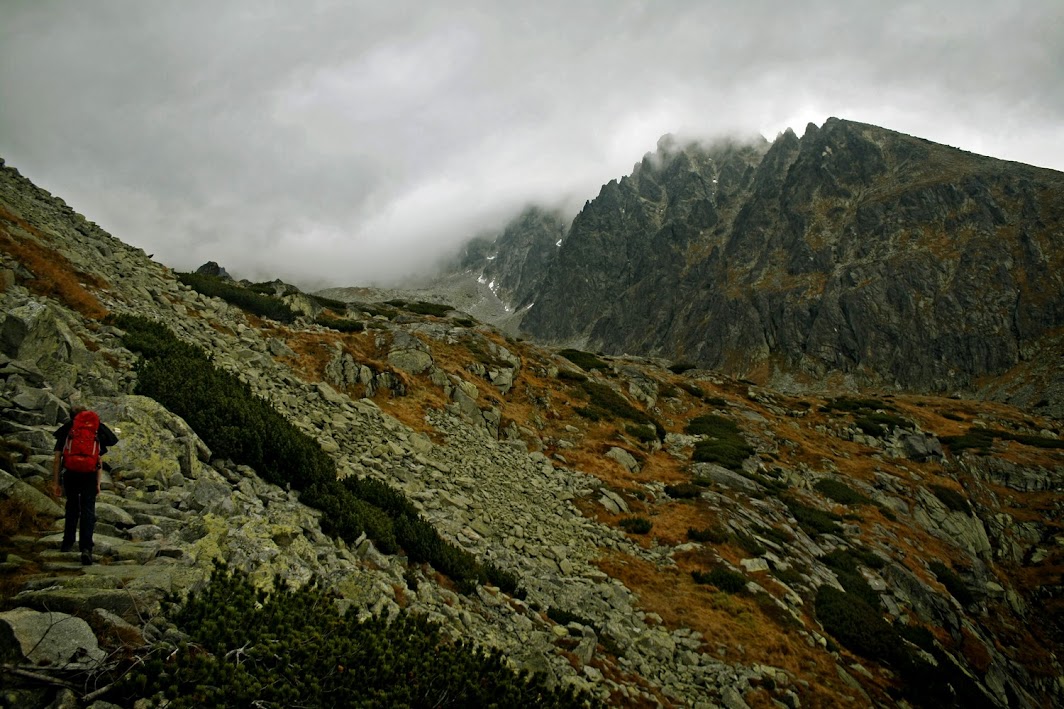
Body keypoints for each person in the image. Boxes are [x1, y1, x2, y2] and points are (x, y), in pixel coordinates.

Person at [52, 400, 118, 565]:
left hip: (70, 473)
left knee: (72, 506)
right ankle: (86, 548)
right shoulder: (94, 430)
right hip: (89, 474)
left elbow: (57, 458)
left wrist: (56, 482)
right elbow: (101, 456)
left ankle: (67, 543)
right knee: (88, 510)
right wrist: (98, 482)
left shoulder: (67, 430)